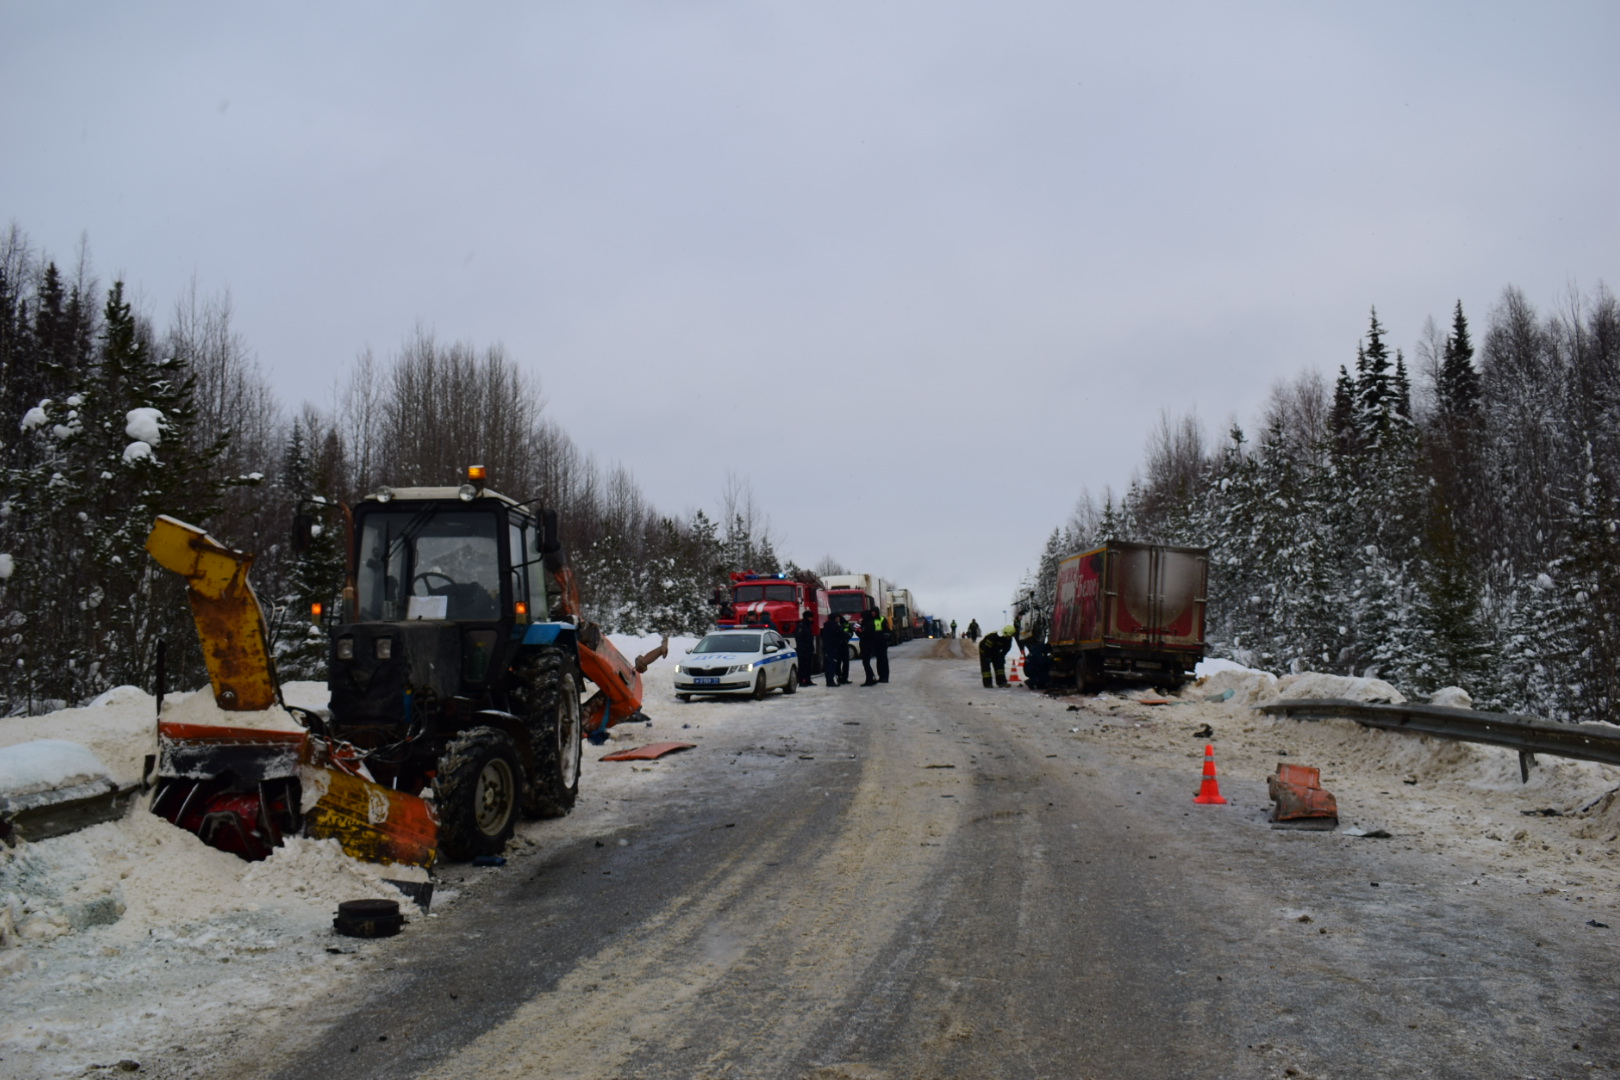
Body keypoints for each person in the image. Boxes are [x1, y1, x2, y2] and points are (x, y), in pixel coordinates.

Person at [859, 607, 891, 686]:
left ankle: (885, 677)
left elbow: (887, 630)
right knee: (879, 660)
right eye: (872, 612)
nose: (873, 613)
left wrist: (884, 639)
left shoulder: (882, 619)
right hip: (874, 643)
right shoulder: (869, 620)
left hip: (881, 642)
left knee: (883, 660)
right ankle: (880, 676)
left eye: (874, 612)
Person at [820, 613, 848, 687]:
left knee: (828, 663)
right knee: (832, 663)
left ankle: (829, 680)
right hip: (832, 647)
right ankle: (830, 681)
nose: (838, 618)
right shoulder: (835, 625)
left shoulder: (826, 625)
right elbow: (841, 633)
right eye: (837, 617)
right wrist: (847, 635)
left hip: (827, 647)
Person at [794, 611, 818, 687]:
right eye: (811, 617)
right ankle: (801, 681)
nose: (812, 619)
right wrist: (803, 648)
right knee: (802, 666)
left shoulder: (808, 625)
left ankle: (807, 680)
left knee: (808, 666)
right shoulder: (801, 625)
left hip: (808, 649)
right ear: (808, 617)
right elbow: (799, 638)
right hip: (803, 650)